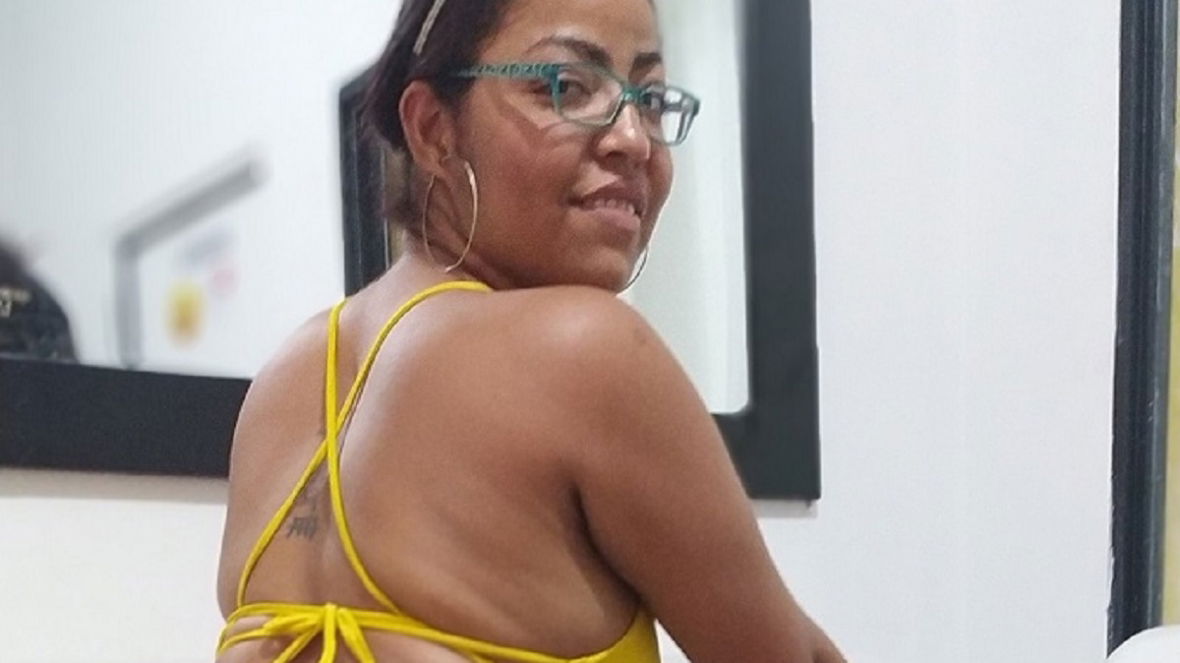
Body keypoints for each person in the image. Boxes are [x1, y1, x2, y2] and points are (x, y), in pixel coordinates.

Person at [215, 0, 845, 661]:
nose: (633, 138)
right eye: (565, 87)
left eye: (652, 98)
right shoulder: (586, 351)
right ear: (432, 128)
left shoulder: (284, 380)